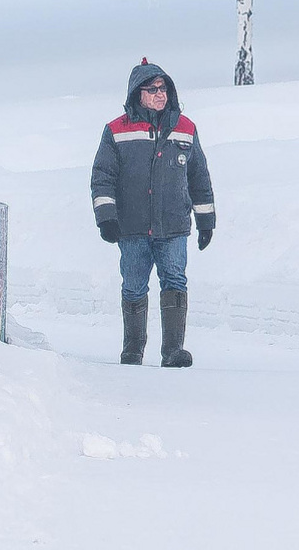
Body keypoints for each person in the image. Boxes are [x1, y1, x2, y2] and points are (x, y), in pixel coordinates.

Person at [89, 59, 216, 367]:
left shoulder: (185, 129)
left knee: (175, 280)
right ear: (138, 93)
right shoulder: (116, 131)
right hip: (131, 227)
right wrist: (106, 217)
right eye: (153, 89)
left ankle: (173, 351)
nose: (160, 95)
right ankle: (133, 349)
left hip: (173, 226)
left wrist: (205, 220)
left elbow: (198, 176)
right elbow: (102, 177)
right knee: (133, 285)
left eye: (164, 89)